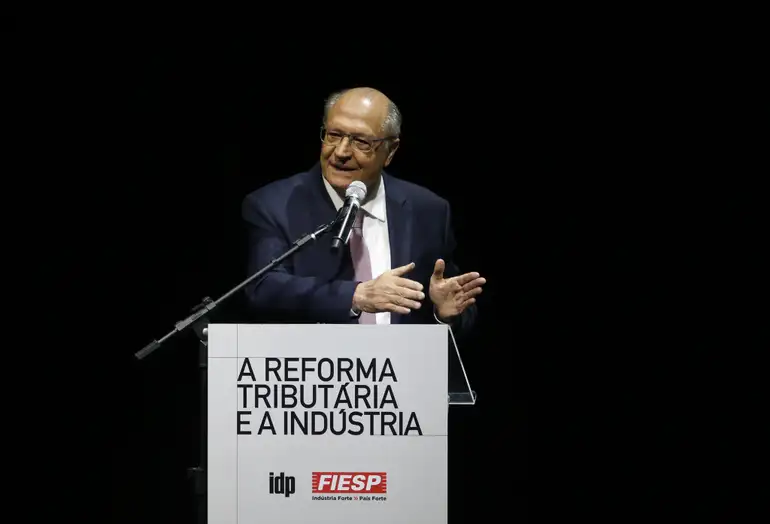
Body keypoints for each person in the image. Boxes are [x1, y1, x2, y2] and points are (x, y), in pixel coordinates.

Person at [241, 87, 485, 336]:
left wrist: (443, 312)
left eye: (361, 142)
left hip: (403, 371)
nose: (341, 152)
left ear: (390, 151)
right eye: (334, 135)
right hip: (315, 369)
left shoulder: (429, 211)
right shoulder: (273, 204)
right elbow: (263, 287)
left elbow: (457, 306)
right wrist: (357, 296)